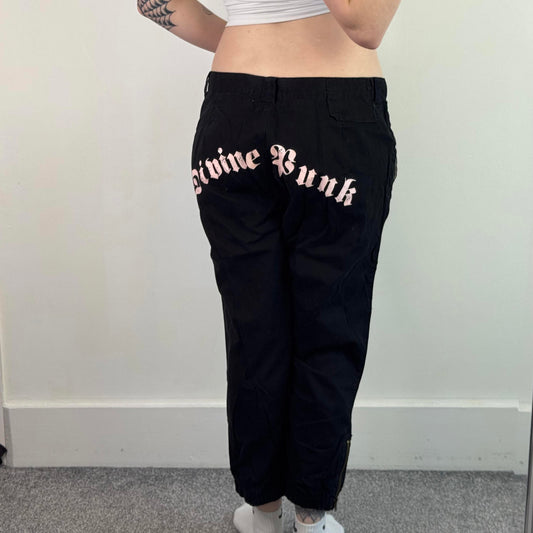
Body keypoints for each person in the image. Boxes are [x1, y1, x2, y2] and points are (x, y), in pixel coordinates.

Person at [138, 0, 401, 531]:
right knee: (329, 323)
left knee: (253, 323)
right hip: (336, 111)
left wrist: (250, 34)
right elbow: (365, 23)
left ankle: (262, 510)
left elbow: (153, 2)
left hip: (233, 107)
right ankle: (310, 515)